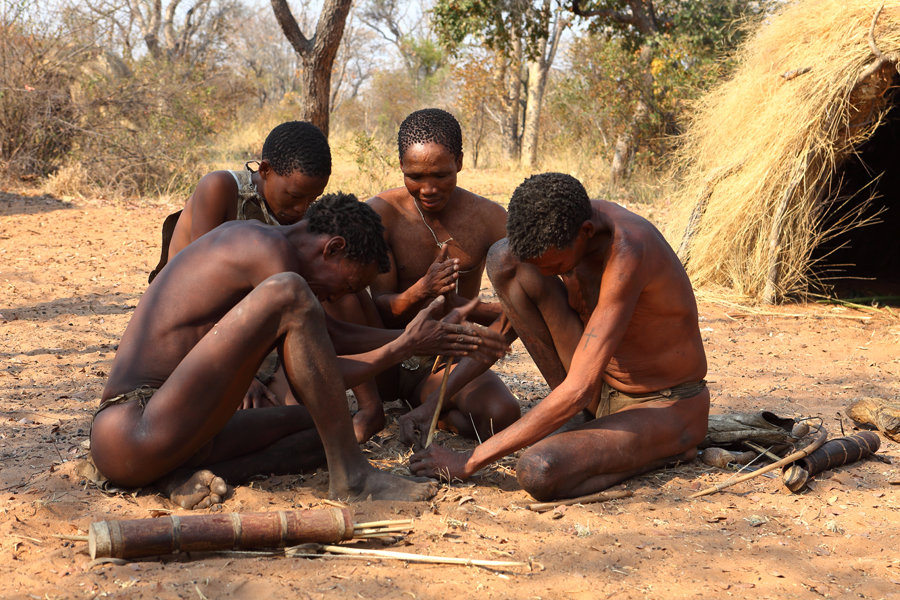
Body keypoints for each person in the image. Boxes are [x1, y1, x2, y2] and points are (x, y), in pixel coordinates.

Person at [92, 193, 505, 509]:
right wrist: (403, 344)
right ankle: (353, 479)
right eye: (346, 286)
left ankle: (181, 477)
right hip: (135, 428)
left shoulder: (275, 260)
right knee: (291, 291)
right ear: (333, 247)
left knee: (327, 427)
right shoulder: (264, 250)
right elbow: (326, 355)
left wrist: (412, 340)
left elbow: (325, 352)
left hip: (177, 438)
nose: (336, 296)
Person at [409, 173, 710, 501]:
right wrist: (433, 404)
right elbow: (506, 330)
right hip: (597, 392)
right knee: (503, 257)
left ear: (586, 232)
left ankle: (669, 448)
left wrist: (468, 461)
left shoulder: (629, 250)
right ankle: (589, 425)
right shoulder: (564, 233)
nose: (551, 277)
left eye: (556, 268)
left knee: (537, 470)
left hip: (662, 405)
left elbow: (579, 389)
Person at [148, 121, 386, 442]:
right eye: (295, 195)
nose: (301, 208)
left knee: (341, 288)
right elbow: (199, 291)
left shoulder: (302, 217)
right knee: (253, 417)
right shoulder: (220, 189)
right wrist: (239, 375)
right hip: (199, 332)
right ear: (265, 170)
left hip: (259, 331)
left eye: (312, 199)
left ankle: (371, 408)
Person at [367, 108, 520, 446]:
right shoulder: (381, 214)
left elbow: (528, 302)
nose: (428, 188)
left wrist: (461, 306)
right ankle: (423, 406)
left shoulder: (488, 218)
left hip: (443, 361)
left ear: (460, 163)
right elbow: (378, 308)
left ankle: (433, 408)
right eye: (415, 176)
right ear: (401, 165)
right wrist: (422, 290)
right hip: (387, 356)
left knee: (501, 415)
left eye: (440, 175)